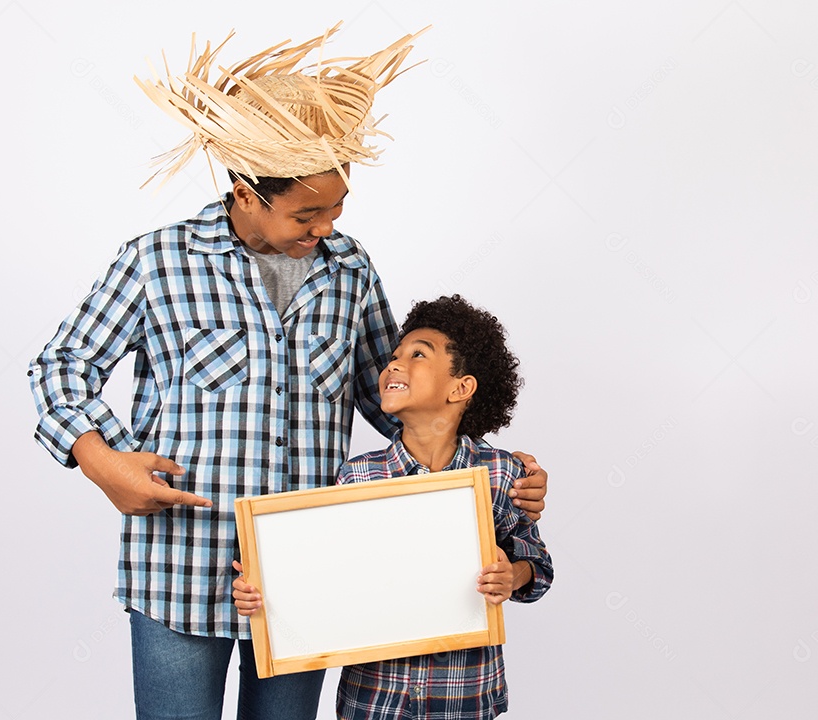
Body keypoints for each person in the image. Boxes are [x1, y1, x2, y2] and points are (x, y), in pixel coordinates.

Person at [28, 25, 548, 720]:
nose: (326, 227)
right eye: (308, 213)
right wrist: (101, 461)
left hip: (312, 583)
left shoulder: (349, 269)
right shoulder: (157, 261)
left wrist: (493, 466)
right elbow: (63, 364)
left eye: (337, 208)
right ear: (246, 193)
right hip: (180, 566)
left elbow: (387, 390)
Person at [233, 294, 553, 719]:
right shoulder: (357, 477)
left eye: (418, 355)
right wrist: (268, 596)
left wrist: (512, 575)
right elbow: (330, 579)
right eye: (394, 356)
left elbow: (539, 564)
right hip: (375, 699)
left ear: (462, 387)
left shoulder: (501, 474)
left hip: (466, 697)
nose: (394, 365)